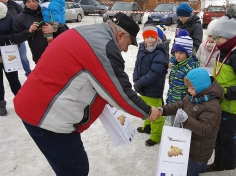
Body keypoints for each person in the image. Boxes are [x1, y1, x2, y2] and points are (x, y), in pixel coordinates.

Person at [13, 12, 161, 176]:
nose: (126, 50)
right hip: (48, 118)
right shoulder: (104, 47)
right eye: (128, 43)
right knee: (76, 169)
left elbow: (94, 76)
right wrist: (147, 112)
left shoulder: (87, 32)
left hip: (35, 104)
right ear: (119, 35)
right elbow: (122, 92)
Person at [205, 4, 236, 172]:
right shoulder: (224, 51)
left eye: (217, 38)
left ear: (228, 36)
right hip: (219, 105)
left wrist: (223, 92)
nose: (215, 41)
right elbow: (222, 76)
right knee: (218, 138)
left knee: (227, 140)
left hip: (230, 108)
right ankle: (218, 165)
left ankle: (227, 171)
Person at [158, 68, 223, 176]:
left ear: (201, 88)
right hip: (186, 145)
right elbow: (179, 105)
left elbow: (204, 129)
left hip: (199, 152)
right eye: (188, 87)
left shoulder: (212, 106)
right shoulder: (193, 97)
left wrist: (186, 120)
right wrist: (163, 110)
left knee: (193, 173)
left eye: (191, 88)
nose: (188, 90)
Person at [133, 25, 167, 146]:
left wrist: (140, 82)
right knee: (145, 108)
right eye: (147, 37)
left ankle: (156, 136)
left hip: (153, 88)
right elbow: (137, 66)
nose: (150, 40)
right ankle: (147, 127)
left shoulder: (159, 52)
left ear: (157, 37)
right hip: (143, 87)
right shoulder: (142, 48)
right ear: (144, 38)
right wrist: (135, 80)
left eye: (153, 37)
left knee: (156, 113)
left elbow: (155, 72)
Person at [12, 0, 68, 64]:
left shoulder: (47, 11)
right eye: (28, 1)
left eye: (34, 1)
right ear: (24, 3)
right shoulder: (20, 18)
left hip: (57, 52)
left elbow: (66, 31)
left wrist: (54, 29)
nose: (32, 3)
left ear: (37, 1)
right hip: (40, 56)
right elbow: (15, 38)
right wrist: (28, 31)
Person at [165, 29, 199, 126]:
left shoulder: (190, 68)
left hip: (183, 105)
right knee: (173, 125)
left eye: (181, 53)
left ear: (188, 53)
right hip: (172, 100)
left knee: (180, 128)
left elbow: (193, 89)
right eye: (176, 52)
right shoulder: (175, 64)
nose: (178, 55)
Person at [0, 0, 31, 76]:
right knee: (9, 59)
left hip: (18, 35)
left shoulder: (15, 5)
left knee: (23, 57)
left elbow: (23, 16)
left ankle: (29, 73)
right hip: (5, 39)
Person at [0, 2, 21, 116]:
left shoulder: (8, 16)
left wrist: (5, 39)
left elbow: (15, 34)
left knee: (13, 79)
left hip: (8, 53)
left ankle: (22, 101)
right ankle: (1, 104)